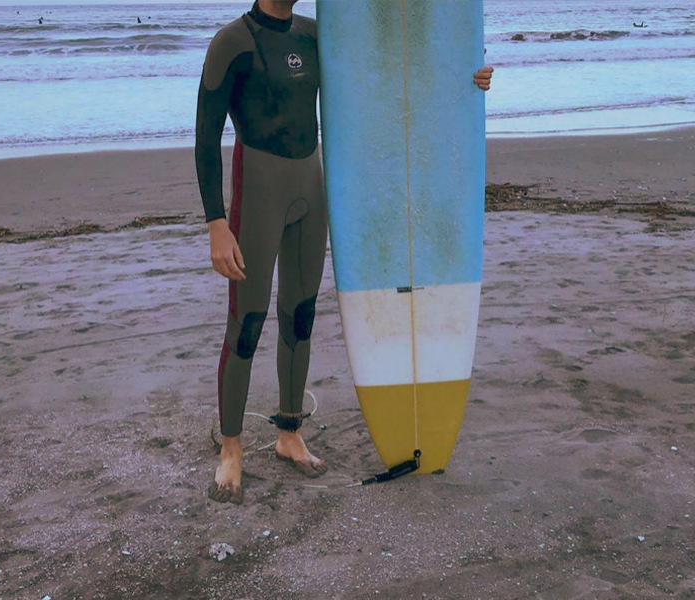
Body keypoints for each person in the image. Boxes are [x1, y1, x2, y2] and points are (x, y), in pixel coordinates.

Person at [195, 0, 494, 505]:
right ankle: (231, 449)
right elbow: (206, 135)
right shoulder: (233, 42)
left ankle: (289, 434)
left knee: (301, 314)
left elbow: (385, 79)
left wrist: (465, 77)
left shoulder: (317, 35)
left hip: (311, 188)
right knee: (247, 320)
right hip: (258, 192)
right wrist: (216, 223)